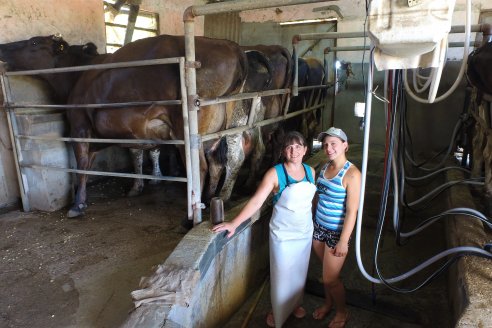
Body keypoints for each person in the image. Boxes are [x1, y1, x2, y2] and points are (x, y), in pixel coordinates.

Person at [212, 131, 317, 328]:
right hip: (283, 235)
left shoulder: (311, 171)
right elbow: (256, 202)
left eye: (298, 146)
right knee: (282, 274)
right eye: (289, 147)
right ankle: (277, 311)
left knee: (299, 272)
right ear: (284, 151)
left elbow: (309, 201)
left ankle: (295, 304)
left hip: (304, 232)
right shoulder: (275, 173)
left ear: (305, 149)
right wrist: (234, 223)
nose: (294, 151)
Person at [312, 127, 361, 328]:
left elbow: (352, 212)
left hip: (336, 234)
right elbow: (318, 197)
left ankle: (342, 311)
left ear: (345, 145)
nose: (329, 148)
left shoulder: (352, 174)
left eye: (333, 144)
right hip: (319, 228)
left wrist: (343, 241)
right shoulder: (324, 167)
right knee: (325, 276)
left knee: (331, 279)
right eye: (326, 145)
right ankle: (328, 303)